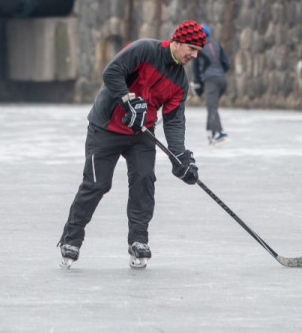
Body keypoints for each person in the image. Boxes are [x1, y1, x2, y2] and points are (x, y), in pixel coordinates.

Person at [58, 20, 206, 269]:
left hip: (141, 133)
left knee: (144, 180)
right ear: (177, 41)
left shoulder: (180, 82)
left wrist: (178, 155)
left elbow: (174, 120)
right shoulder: (144, 50)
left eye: (198, 51)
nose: (194, 54)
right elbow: (111, 72)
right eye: (191, 48)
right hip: (106, 127)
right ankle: (71, 239)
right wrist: (128, 100)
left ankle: (139, 241)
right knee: (97, 184)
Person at [192, 24, 231, 145]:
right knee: (212, 105)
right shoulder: (217, 44)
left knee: (211, 107)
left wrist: (198, 85)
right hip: (222, 80)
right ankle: (210, 132)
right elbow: (227, 63)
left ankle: (219, 133)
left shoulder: (197, 47)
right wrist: (219, 73)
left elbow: (196, 70)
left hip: (210, 80)